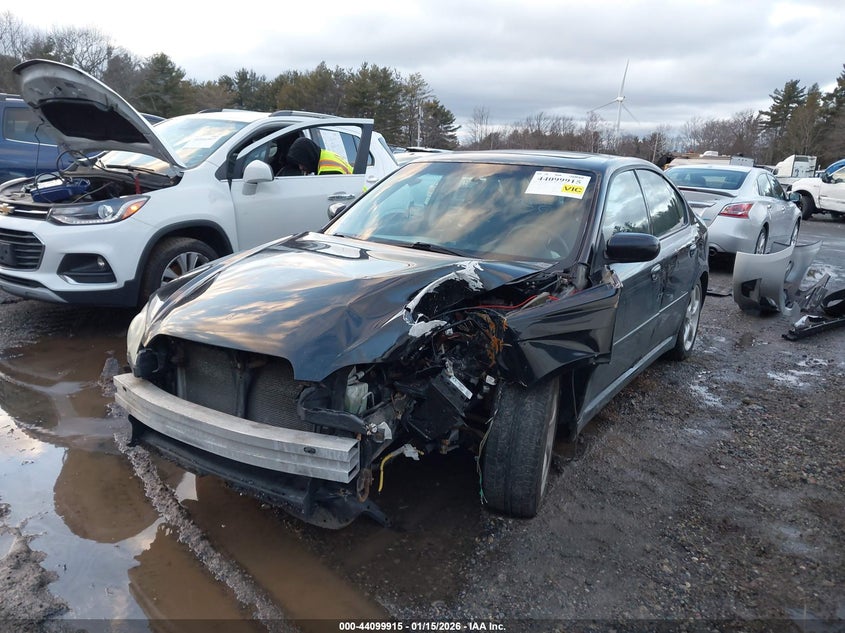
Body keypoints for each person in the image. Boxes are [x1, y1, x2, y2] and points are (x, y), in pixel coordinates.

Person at [284, 136, 353, 175]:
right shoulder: (325, 155)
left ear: (309, 157)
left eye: (302, 163)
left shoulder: (328, 170)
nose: (300, 167)